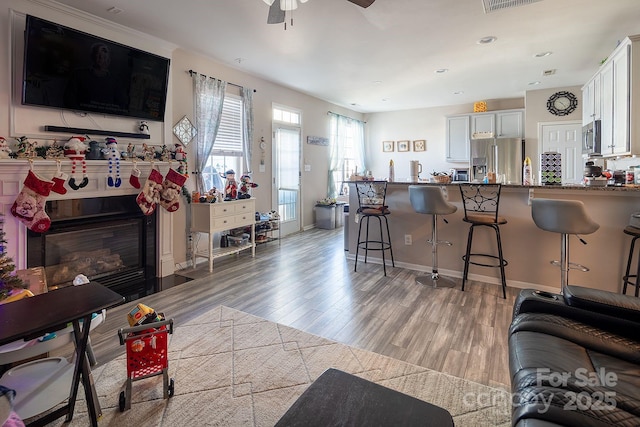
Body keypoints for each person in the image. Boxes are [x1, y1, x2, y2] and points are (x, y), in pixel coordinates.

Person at [64, 42, 128, 113]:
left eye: (104, 55)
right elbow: (69, 99)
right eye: (98, 54)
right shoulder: (79, 74)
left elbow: (122, 104)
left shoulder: (116, 80)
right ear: (92, 56)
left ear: (109, 59)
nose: (101, 58)